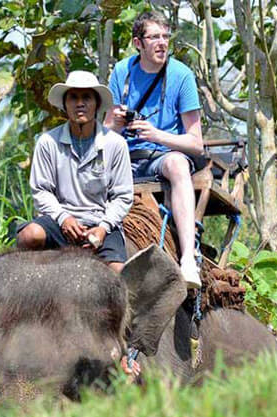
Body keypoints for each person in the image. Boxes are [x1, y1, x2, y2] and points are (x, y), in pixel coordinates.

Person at [104, 10, 204, 289]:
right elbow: (106, 131)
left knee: (177, 164)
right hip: (123, 157)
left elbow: (196, 143)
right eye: (154, 37)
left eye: (165, 37)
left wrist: (157, 135)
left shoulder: (181, 75)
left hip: (161, 156)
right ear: (138, 43)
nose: (161, 43)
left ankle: (188, 258)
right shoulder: (122, 72)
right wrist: (119, 123)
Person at [16, 71, 133, 274]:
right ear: (65, 104)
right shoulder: (48, 142)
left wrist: (103, 228)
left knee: (118, 273)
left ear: (96, 104)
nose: (80, 103)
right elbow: (41, 191)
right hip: (60, 221)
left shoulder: (116, 144)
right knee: (30, 235)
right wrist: (63, 218)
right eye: (73, 97)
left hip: (100, 222)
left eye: (86, 97)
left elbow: (123, 196)